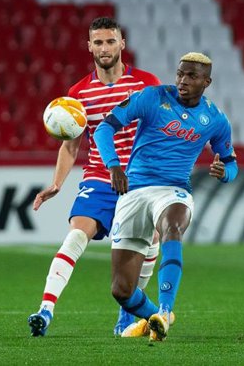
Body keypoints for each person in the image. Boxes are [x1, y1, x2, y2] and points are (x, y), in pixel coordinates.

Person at [27, 17, 161, 337]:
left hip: (140, 180)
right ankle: (46, 310)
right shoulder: (79, 93)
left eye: (110, 41)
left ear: (121, 44)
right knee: (77, 234)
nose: (104, 48)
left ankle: (126, 311)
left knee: (149, 243)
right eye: (98, 42)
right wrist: (58, 183)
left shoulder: (146, 84)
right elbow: (70, 146)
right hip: (100, 177)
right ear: (89, 46)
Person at [94, 52, 239, 341]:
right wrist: (113, 166)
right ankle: (154, 318)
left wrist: (225, 172)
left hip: (173, 190)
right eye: (180, 74)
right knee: (121, 290)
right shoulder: (152, 97)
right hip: (134, 190)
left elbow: (232, 163)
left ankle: (165, 309)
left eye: (192, 76)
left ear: (206, 82)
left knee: (172, 227)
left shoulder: (215, 119)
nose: (183, 80)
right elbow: (104, 129)